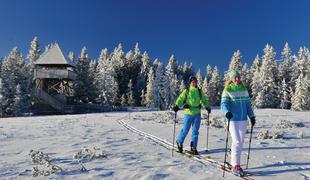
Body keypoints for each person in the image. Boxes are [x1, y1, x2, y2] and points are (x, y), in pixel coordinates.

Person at [221, 70, 256, 176]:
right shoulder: (227, 89)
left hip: (243, 119)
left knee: (240, 142)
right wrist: (227, 113)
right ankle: (236, 165)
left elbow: (248, 105)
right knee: (236, 141)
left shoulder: (244, 89)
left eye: (238, 77)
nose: (237, 79)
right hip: (232, 119)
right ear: (231, 79)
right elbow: (223, 104)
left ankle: (233, 162)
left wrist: (252, 116)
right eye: (234, 77)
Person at [173, 76, 211, 155]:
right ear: (190, 83)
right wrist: (177, 105)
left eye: (195, 81)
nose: (194, 83)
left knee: (195, 131)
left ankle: (193, 147)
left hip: (197, 114)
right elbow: (180, 98)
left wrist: (207, 107)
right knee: (185, 130)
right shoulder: (187, 91)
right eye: (192, 82)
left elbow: (204, 100)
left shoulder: (199, 92)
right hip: (188, 113)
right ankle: (179, 142)